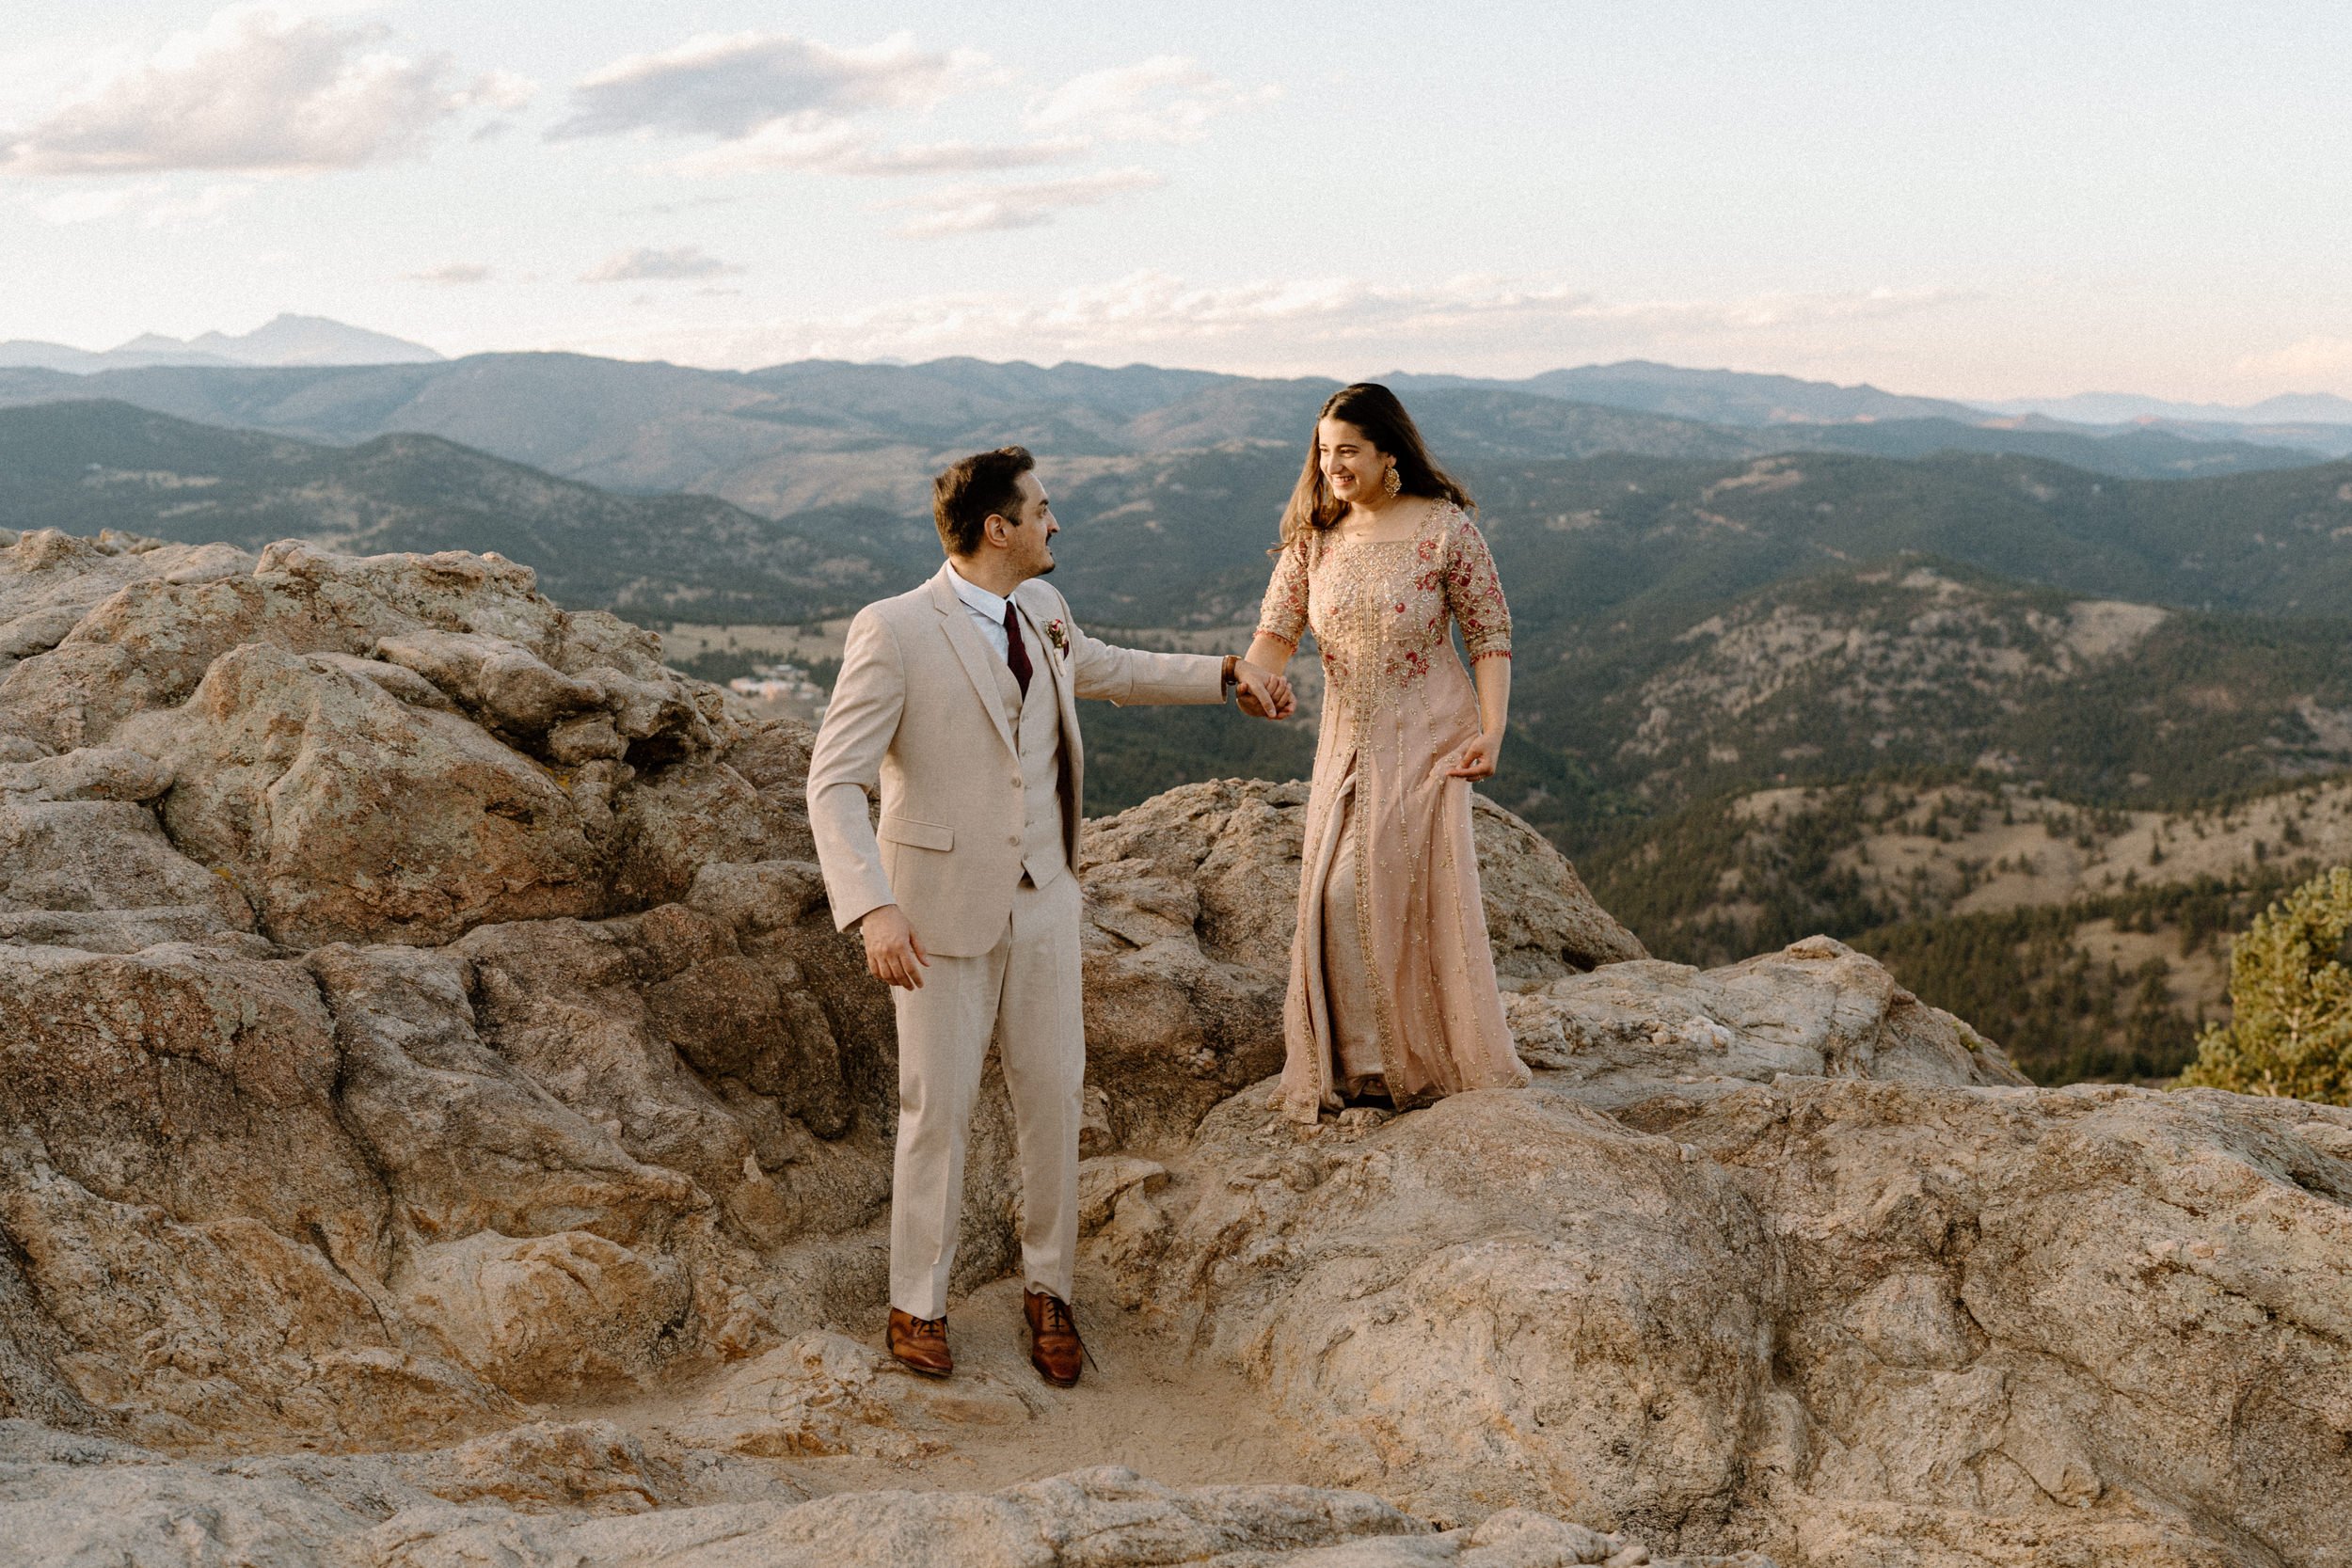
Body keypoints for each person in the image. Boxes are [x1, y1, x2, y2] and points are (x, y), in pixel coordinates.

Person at [805, 445, 1295, 1387]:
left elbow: (1109, 667)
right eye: (1041, 508)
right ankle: (917, 1299)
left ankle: (1049, 1288)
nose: (1054, 522)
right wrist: (871, 909)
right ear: (999, 528)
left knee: (1052, 1098)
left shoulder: (1046, 611)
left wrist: (1225, 674)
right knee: (935, 1111)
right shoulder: (896, 628)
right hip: (936, 912)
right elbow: (833, 782)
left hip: (1046, 900)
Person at [1241, 383, 1532, 1123]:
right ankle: (1358, 1065)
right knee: (1334, 893)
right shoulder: (1315, 539)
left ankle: (1410, 1060)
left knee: (1386, 891)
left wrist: (1491, 731)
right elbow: (1271, 641)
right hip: (1346, 736)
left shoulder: (1444, 529)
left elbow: (1490, 633)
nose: (1333, 464)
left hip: (1432, 730)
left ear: (1387, 453)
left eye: (1348, 450)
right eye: (1324, 450)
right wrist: (1258, 686)